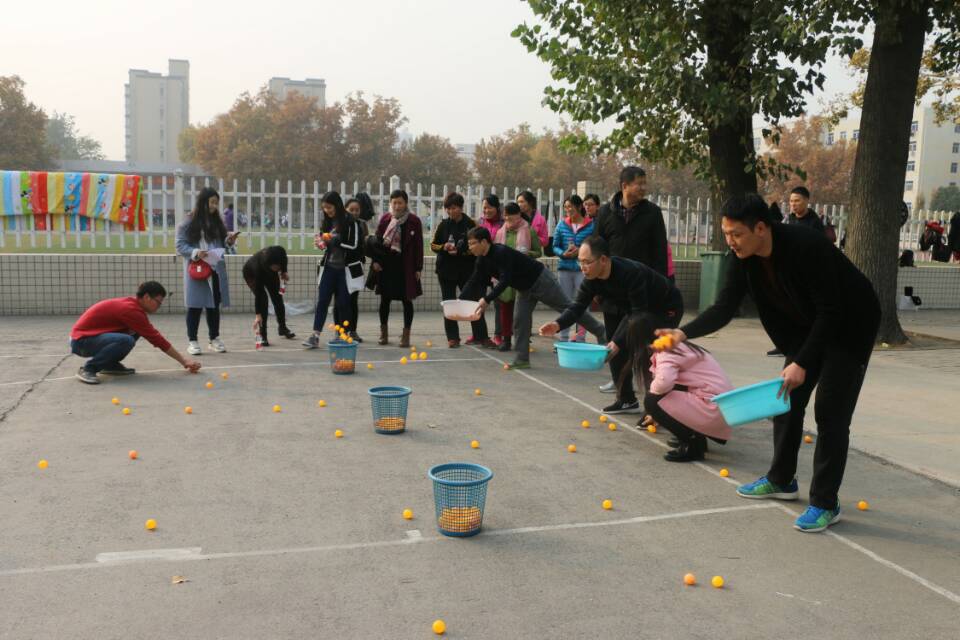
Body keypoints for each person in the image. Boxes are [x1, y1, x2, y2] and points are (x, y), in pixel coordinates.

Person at [658, 193, 881, 533]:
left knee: (830, 413)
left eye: (736, 234)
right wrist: (682, 334)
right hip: (809, 326)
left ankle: (825, 502)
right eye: (726, 234)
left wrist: (803, 361)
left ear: (760, 228)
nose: (730, 242)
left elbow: (831, 311)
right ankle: (781, 480)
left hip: (851, 326)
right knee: (785, 402)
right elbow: (724, 307)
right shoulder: (744, 256)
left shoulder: (806, 246)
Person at [539, 236, 683, 414]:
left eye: (586, 262)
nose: (582, 268)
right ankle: (626, 400)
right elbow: (577, 307)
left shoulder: (630, 273)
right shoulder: (591, 279)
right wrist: (557, 324)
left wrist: (619, 341)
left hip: (664, 308)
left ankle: (659, 409)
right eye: (579, 262)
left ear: (604, 260)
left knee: (648, 353)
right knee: (613, 347)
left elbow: (638, 314)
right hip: (634, 310)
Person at [462, 226, 605, 369]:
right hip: (524, 289)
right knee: (520, 320)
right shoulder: (481, 260)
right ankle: (522, 359)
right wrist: (459, 300)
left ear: (484, 242)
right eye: (469, 244)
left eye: (473, 243)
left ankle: (600, 331)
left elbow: (505, 280)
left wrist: (487, 299)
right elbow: (474, 279)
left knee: (569, 309)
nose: (470, 247)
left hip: (541, 281)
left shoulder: (500, 252)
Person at [592, 166, 669, 395]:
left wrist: (661, 286)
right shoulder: (606, 213)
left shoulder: (652, 213)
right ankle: (623, 395)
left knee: (643, 345)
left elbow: (659, 252)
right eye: (639, 183)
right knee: (615, 343)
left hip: (642, 291)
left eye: (645, 183)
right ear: (624, 186)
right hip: (612, 290)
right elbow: (597, 249)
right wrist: (598, 285)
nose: (644, 188)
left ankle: (652, 393)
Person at [621, 313, 733, 461]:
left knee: (653, 400)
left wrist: (654, 411)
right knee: (659, 397)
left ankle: (692, 445)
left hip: (714, 407)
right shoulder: (675, 344)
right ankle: (697, 438)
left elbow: (663, 383)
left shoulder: (666, 350)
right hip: (722, 406)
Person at [70, 281, 201, 384]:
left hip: (90, 338)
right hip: (81, 342)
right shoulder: (131, 310)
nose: (159, 306)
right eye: (158, 302)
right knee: (126, 340)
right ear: (146, 297)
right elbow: (157, 339)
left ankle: (108, 364)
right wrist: (184, 361)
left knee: (134, 333)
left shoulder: (134, 307)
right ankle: (89, 369)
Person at [176, 187, 238, 355]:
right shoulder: (188, 222)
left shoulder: (217, 222)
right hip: (197, 269)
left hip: (215, 268)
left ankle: (214, 338)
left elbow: (221, 243)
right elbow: (180, 245)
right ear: (203, 202)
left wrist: (229, 240)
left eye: (216, 203)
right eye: (212, 202)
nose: (214, 206)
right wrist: (196, 253)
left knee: (213, 306)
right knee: (194, 305)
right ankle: (193, 341)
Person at [431, 192, 493, 348]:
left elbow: (475, 249)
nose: (451, 211)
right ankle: (453, 337)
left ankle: (482, 336)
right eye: (448, 208)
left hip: (467, 271)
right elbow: (433, 245)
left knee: (473, 303)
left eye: (454, 208)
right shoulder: (443, 225)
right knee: (449, 303)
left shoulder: (470, 224)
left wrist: (461, 252)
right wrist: (444, 247)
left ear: (460, 207)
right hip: (446, 271)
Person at [303, 192, 362, 348]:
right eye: (324, 208)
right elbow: (326, 243)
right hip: (329, 268)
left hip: (345, 270)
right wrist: (321, 242)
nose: (327, 211)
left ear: (337, 204)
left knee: (343, 303)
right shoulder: (328, 222)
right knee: (322, 301)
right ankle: (315, 335)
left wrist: (333, 241)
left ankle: (344, 334)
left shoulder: (351, 222)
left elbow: (354, 245)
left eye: (329, 207)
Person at [371, 189, 423, 347]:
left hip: (406, 267)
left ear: (406, 203)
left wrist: (418, 268)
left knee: (407, 301)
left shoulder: (414, 221)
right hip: (387, 266)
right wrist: (376, 261)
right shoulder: (385, 219)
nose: (397, 206)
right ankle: (383, 334)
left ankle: (406, 335)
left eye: (400, 202)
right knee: (384, 300)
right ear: (390, 203)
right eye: (394, 202)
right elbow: (377, 242)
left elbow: (419, 246)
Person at [493, 202, 544, 352]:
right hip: (506, 277)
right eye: (506, 217)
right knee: (505, 309)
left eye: (512, 217)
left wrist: (527, 254)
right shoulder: (501, 232)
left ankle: (522, 340)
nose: (509, 221)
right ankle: (506, 340)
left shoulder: (528, 230)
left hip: (522, 276)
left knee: (522, 312)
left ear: (519, 216)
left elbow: (538, 252)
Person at [552, 194, 595, 344]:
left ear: (579, 207)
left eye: (570, 206)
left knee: (583, 304)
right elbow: (554, 246)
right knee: (565, 304)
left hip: (583, 270)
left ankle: (581, 338)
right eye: (565, 207)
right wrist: (562, 254)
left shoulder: (591, 225)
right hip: (564, 269)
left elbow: (594, 244)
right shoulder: (561, 225)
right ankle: (563, 339)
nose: (567, 210)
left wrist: (581, 251)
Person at [333, 195, 372, 342]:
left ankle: (352, 331)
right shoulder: (339, 224)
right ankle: (339, 331)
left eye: (357, 210)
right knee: (338, 300)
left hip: (356, 267)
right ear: (345, 210)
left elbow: (366, 245)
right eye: (351, 210)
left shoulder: (362, 225)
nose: (355, 212)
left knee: (352, 300)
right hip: (339, 266)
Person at [242, 245, 296, 346]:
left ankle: (282, 328)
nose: (276, 268)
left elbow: (284, 261)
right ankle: (263, 335)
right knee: (263, 300)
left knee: (278, 298)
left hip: (268, 273)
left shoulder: (280, 254)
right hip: (251, 274)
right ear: (269, 264)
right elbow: (258, 295)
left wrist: (284, 271)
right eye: (274, 266)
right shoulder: (257, 267)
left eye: (278, 266)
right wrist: (258, 314)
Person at [479, 194, 506, 348]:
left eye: (489, 207)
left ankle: (498, 334)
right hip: (483, 266)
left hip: (497, 266)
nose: (486, 210)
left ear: (497, 208)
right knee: (479, 298)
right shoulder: (480, 223)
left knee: (498, 302)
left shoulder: (503, 224)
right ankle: (479, 333)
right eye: (484, 208)